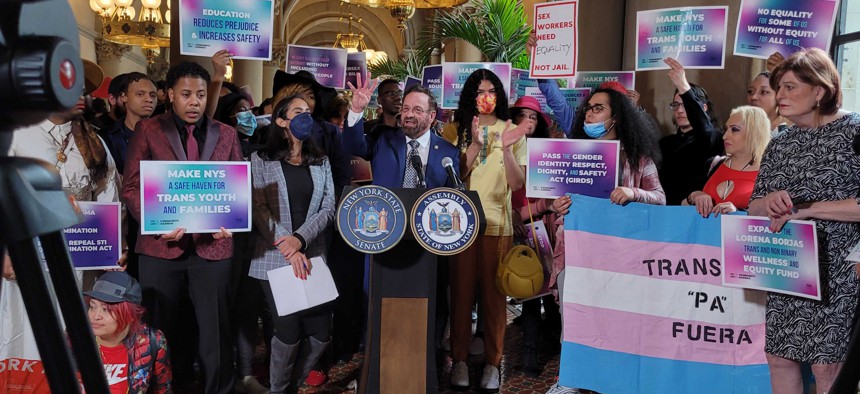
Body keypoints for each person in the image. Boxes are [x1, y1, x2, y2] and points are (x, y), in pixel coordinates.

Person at [121, 61, 242, 394]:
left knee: (217, 332)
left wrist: (231, 218)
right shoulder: (149, 130)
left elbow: (233, 187)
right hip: (161, 248)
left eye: (201, 95)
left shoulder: (227, 133)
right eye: (186, 94)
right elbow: (130, 187)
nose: (194, 102)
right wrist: (156, 223)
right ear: (170, 95)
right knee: (158, 331)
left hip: (213, 248)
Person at [748, 47, 860, 394]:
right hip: (788, 267)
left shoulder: (854, 131)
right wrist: (768, 202)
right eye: (778, 87)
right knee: (780, 359)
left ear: (820, 91)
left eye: (790, 87)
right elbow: (753, 207)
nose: (779, 95)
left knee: (828, 367)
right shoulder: (779, 143)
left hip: (840, 271)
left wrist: (808, 208)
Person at [545, 86, 665, 394]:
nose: (590, 113)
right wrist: (556, 205)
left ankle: (612, 381)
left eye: (599, 108)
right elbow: (558, 199)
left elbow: (660, 198)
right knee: (572, 318)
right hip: (575, 253)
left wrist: (633, 192)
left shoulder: (638, 160)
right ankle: (570, 380)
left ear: (617, 117)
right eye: (589, 108)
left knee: (614, 322)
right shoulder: (574, 155)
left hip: (620, 258)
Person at [441, 68, 529, 392]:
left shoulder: (512, 131)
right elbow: (450, 176)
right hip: (460, 226)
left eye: (491, 90)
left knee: (494, 300)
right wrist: (475, 145)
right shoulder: (455, 130)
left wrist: (505, 149)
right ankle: (460, 360)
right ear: (469, 96)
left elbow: (518, 183)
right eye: (479, 91)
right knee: (461, 297)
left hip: (497, 227)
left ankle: (493, 364)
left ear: (500, 95)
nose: (486, 97)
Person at [249, 95, 335, 394]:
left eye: (309, 112)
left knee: (322, 333)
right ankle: (278, 389)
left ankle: (290, 386)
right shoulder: (261, 159)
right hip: (274, 257)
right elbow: (258, 207)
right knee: (288, 331)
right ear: (281, 120)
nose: (305, 117)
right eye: (298, 112)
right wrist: (287, 245)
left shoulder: (320, 160)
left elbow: (328, 207)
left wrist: (300, 240)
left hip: (312, 254)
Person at [508, 96, 560, 378]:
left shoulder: (547, 152)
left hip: (545, 227)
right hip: (518, 229)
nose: (528, 121)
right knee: (528, 292)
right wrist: (513, 213)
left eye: (534, 116)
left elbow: (552, 193)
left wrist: (537, 210)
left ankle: (552, 343)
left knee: (552, 291)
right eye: (523, 115)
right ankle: (529, 353)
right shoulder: (502, 149)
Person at [343, 83, 460, 189]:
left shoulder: (448, 153)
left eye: (417, 110)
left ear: (431, 116)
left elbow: (451, 197)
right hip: (385, 211)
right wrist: (356, 110)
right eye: (406, 109)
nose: (409, 114)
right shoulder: (383, 138)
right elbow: (353, 146)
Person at [85, 271, 172, 393]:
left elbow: (163, 390)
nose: (96, 316)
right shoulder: (74, 341)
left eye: (106, 309)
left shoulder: (152, 341)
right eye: (93, 306)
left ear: (130, 315)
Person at [684, 106, 771, 217]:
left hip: (743, 233)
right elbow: (682, 205)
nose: (725, 136)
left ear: (754, 133)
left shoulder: (769, 173)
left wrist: (739, 213)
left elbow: (775, 218)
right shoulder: (713, 164)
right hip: (705, 233)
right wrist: (695, 196)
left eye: (734, 129)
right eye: (726, 129)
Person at [658, 57, 723, 205]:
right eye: (676, 105)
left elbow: (705, 130)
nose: (680, 110)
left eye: (685, 105)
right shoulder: (665, 143)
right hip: (664, 212)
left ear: (703, 108)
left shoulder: (713, 138)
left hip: (694, 213)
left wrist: (683, 87)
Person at [99, 72, 157, 176]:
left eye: (153, 95)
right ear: (123, 97)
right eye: (140, 94)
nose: (149, 99)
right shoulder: (106, 137)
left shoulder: (167, 134)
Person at [747, 71, 789, 136]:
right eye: (751, 91)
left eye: (764, 92)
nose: (753, 97)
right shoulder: (739, 127)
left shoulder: (785, 133)